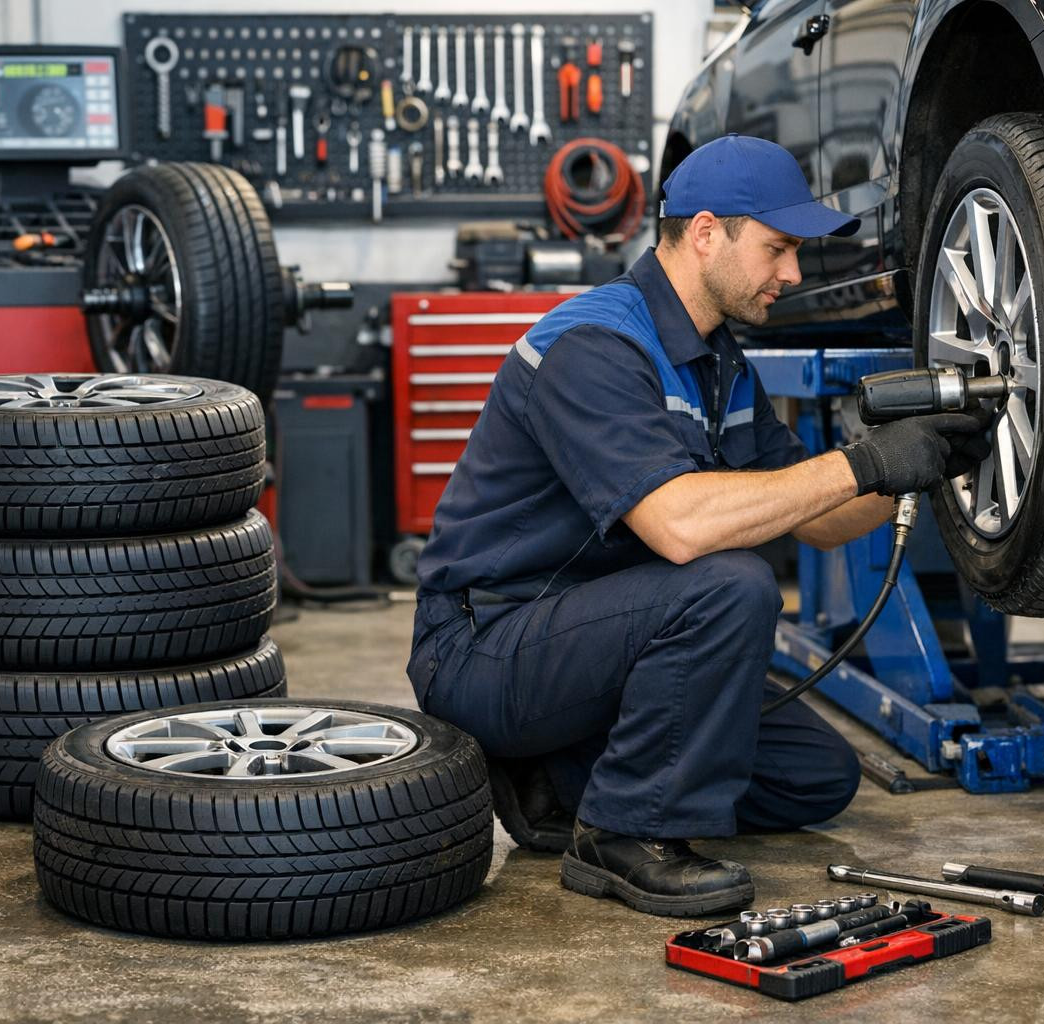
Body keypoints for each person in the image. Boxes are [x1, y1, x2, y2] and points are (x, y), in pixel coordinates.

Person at [406, 134, 989, 917]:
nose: (791, 273)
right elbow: (680, 528)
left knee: (816, 774)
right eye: (778, 248)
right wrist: (864, 463)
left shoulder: (719, 365)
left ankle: (553, 776)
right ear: (707, 232)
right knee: (730, 584)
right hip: (486, 649)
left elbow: (819, 520)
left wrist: (932, 459)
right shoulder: (597, 345)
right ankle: (620, 837)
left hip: (593, 644)